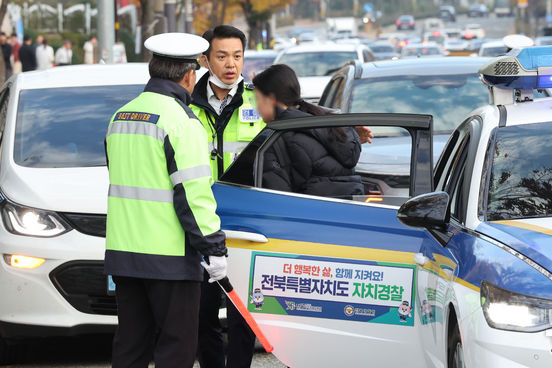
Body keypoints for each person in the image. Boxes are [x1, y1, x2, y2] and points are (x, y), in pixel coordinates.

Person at [105, 32, 227, 368]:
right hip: (169, 258)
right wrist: (213, 247)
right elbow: (193, 195)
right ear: (190, 75)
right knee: (176, 347)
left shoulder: (121, 116)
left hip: (125, 253)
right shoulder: (182, 122)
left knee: (131, 344)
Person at [190, 24, 262, 368]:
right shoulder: (187, 102)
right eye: (221, 56)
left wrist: (343, 128)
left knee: (242, 315)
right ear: (205, 59)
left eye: (237, 56)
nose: (231, 64)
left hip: (247, 225)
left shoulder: (257, 99)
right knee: (202, 314)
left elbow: (296, 113)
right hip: (200, 225)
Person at [253, 64, 366, 197]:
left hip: (308, 214)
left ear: (271, 99)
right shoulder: (327, 126)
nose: (257, 107)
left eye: (257, 99)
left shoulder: (277, 138)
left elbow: (276, 199)